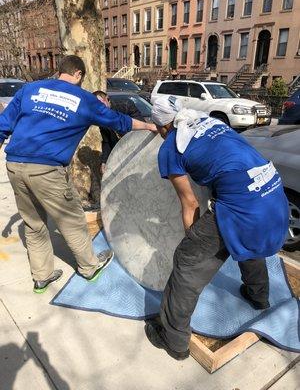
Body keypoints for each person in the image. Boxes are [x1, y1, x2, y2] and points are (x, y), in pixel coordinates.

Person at [145, 96, 289, 360]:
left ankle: (173, 339)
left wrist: (193, 241)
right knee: (247, 239)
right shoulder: (208, 122)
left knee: (188, 262)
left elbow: (189, 204)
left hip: (244, 206)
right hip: (273, 192)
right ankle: (258, 296)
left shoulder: (170, 148)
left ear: (163, 127)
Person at [0, 55, 156, 293]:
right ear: (78, 75)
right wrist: (148, 125)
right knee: (71, 220)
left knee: (33, 223)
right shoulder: (83, 99)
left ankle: (42, 276)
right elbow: (117, 121)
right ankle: (89, 267)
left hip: (15, 165)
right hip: (46, 170)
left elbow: (3, 125)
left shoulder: (29, 90)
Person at [93, 90, 145, 175]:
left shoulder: (125, 105)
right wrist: (104, 162)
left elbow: (140, 128)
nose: (99, 107)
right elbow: (107, 142)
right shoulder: (101, 119)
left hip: (136, 149)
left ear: (107, 99)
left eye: (101, 103)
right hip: (120, 153)